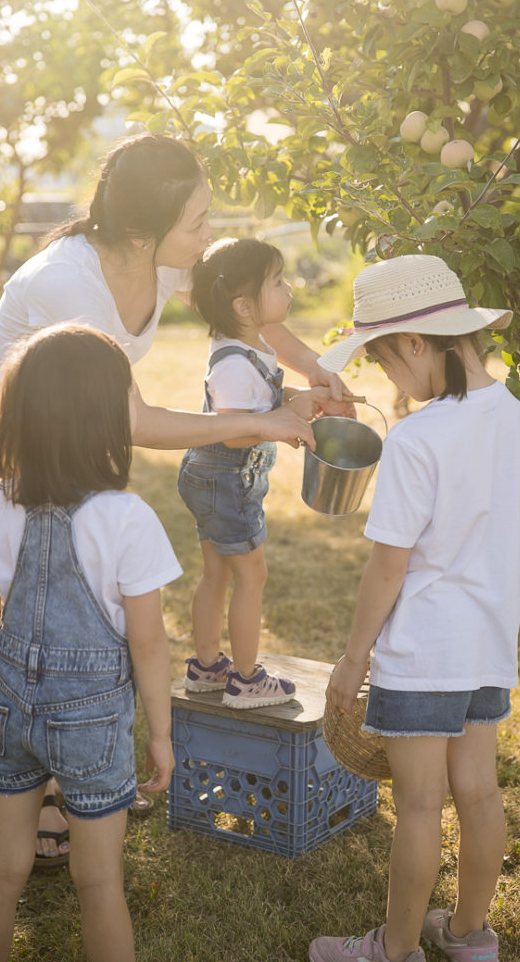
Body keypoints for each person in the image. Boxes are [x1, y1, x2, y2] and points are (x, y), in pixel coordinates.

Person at [0, 131, 348, 860]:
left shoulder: (161, 262)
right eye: (196, 222)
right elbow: (129, 420)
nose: (207, 235)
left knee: (72, 605)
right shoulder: (70, 282)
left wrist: (320, 373)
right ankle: (40, 799)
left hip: (63, 432)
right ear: (144, 230)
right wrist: (260, 417)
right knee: (45, 608)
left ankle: (75, 774)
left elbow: (251, 314)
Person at [307, 255, 520, 962]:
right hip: (486, 643)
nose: (387, 380)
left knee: (416, 807)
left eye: (381, 361)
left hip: (422, 652)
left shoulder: (415, 438)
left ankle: (394, 949)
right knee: (479, 794)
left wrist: (352, 660)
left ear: (413, 344)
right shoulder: (516, 417)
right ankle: (469, 936)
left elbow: (387, 565)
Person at [0, 324, 179, 962]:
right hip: (93, 724)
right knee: (99, 881)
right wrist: (160, 735)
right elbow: (150, 645)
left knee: (0, 870)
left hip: (7, 711)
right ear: (104, 419)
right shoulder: (127, 518)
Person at [178, 237, 323, 708]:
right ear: (243, 305)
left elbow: (262, 403)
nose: (290, 291)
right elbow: (236, 432)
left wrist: (305, 401)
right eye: (278, 283)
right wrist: (281, 427)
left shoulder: (249, 345)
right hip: (226, 480)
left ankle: (205, 668)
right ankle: (245, 680)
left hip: (212, 479)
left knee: (216, 572)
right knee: (251, 576)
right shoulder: (234, 363)